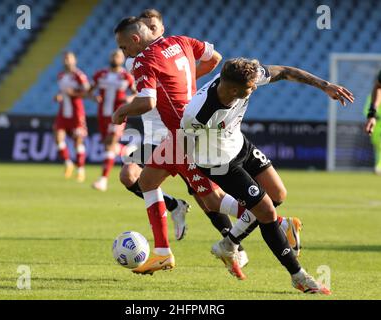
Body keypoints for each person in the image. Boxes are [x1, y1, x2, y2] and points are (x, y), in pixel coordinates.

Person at [113, 17, 301, 279]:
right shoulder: (181, 41)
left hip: (187, 135)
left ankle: (279, 223)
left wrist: (121, 112)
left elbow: (147, 102)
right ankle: (163, 249)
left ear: (135, 39)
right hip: (177, 133)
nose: (125, 54)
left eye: (123, 48)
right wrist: (183, 81)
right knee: (146, 181)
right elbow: (215, 59)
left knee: (211, 200)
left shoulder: (144, 60)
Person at [181, 58, 354, 294]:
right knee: (266, 211)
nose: (254, 89)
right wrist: (198, 180)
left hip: (240, 146)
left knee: (278, 194)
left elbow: (285, 70)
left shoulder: (246, 79)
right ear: (233, 89)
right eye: (251, 87)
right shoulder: (198, 113)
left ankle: (228, 243)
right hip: (217, 163)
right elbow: (185, 145)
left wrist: (325, 85)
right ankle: (298, 275)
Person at [91, 49, 137, 191]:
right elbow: (90, 89)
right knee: (107, 145)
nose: (114, 58)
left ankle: (103, 180)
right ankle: (126, 150)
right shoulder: (100, 74)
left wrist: (129, 99)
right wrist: (93, 96)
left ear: (122, 59)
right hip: (103, 114)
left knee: (110, 143)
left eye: (117, 56)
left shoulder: (126, 76)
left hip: (119, 114)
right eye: (113, 55)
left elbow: (135, 92)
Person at [54, 51, 90, 182]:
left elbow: (87, 92)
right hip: (63, 111)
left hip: (76, 113)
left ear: (74, 60)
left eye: (69, 58)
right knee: (58, 137)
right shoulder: (61, 75)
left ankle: (80, 170)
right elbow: (62, 91)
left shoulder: (79, 75)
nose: (66, 61)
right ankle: (68, 163)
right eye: (64, 59)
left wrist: (74, 93)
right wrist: (58, 96)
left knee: (77, 141)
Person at [364, 69, 381, 174]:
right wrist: (372, 115)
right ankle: (378, 166)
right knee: (378, 147)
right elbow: (378, 86)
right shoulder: (372, 97)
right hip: (378, 125)